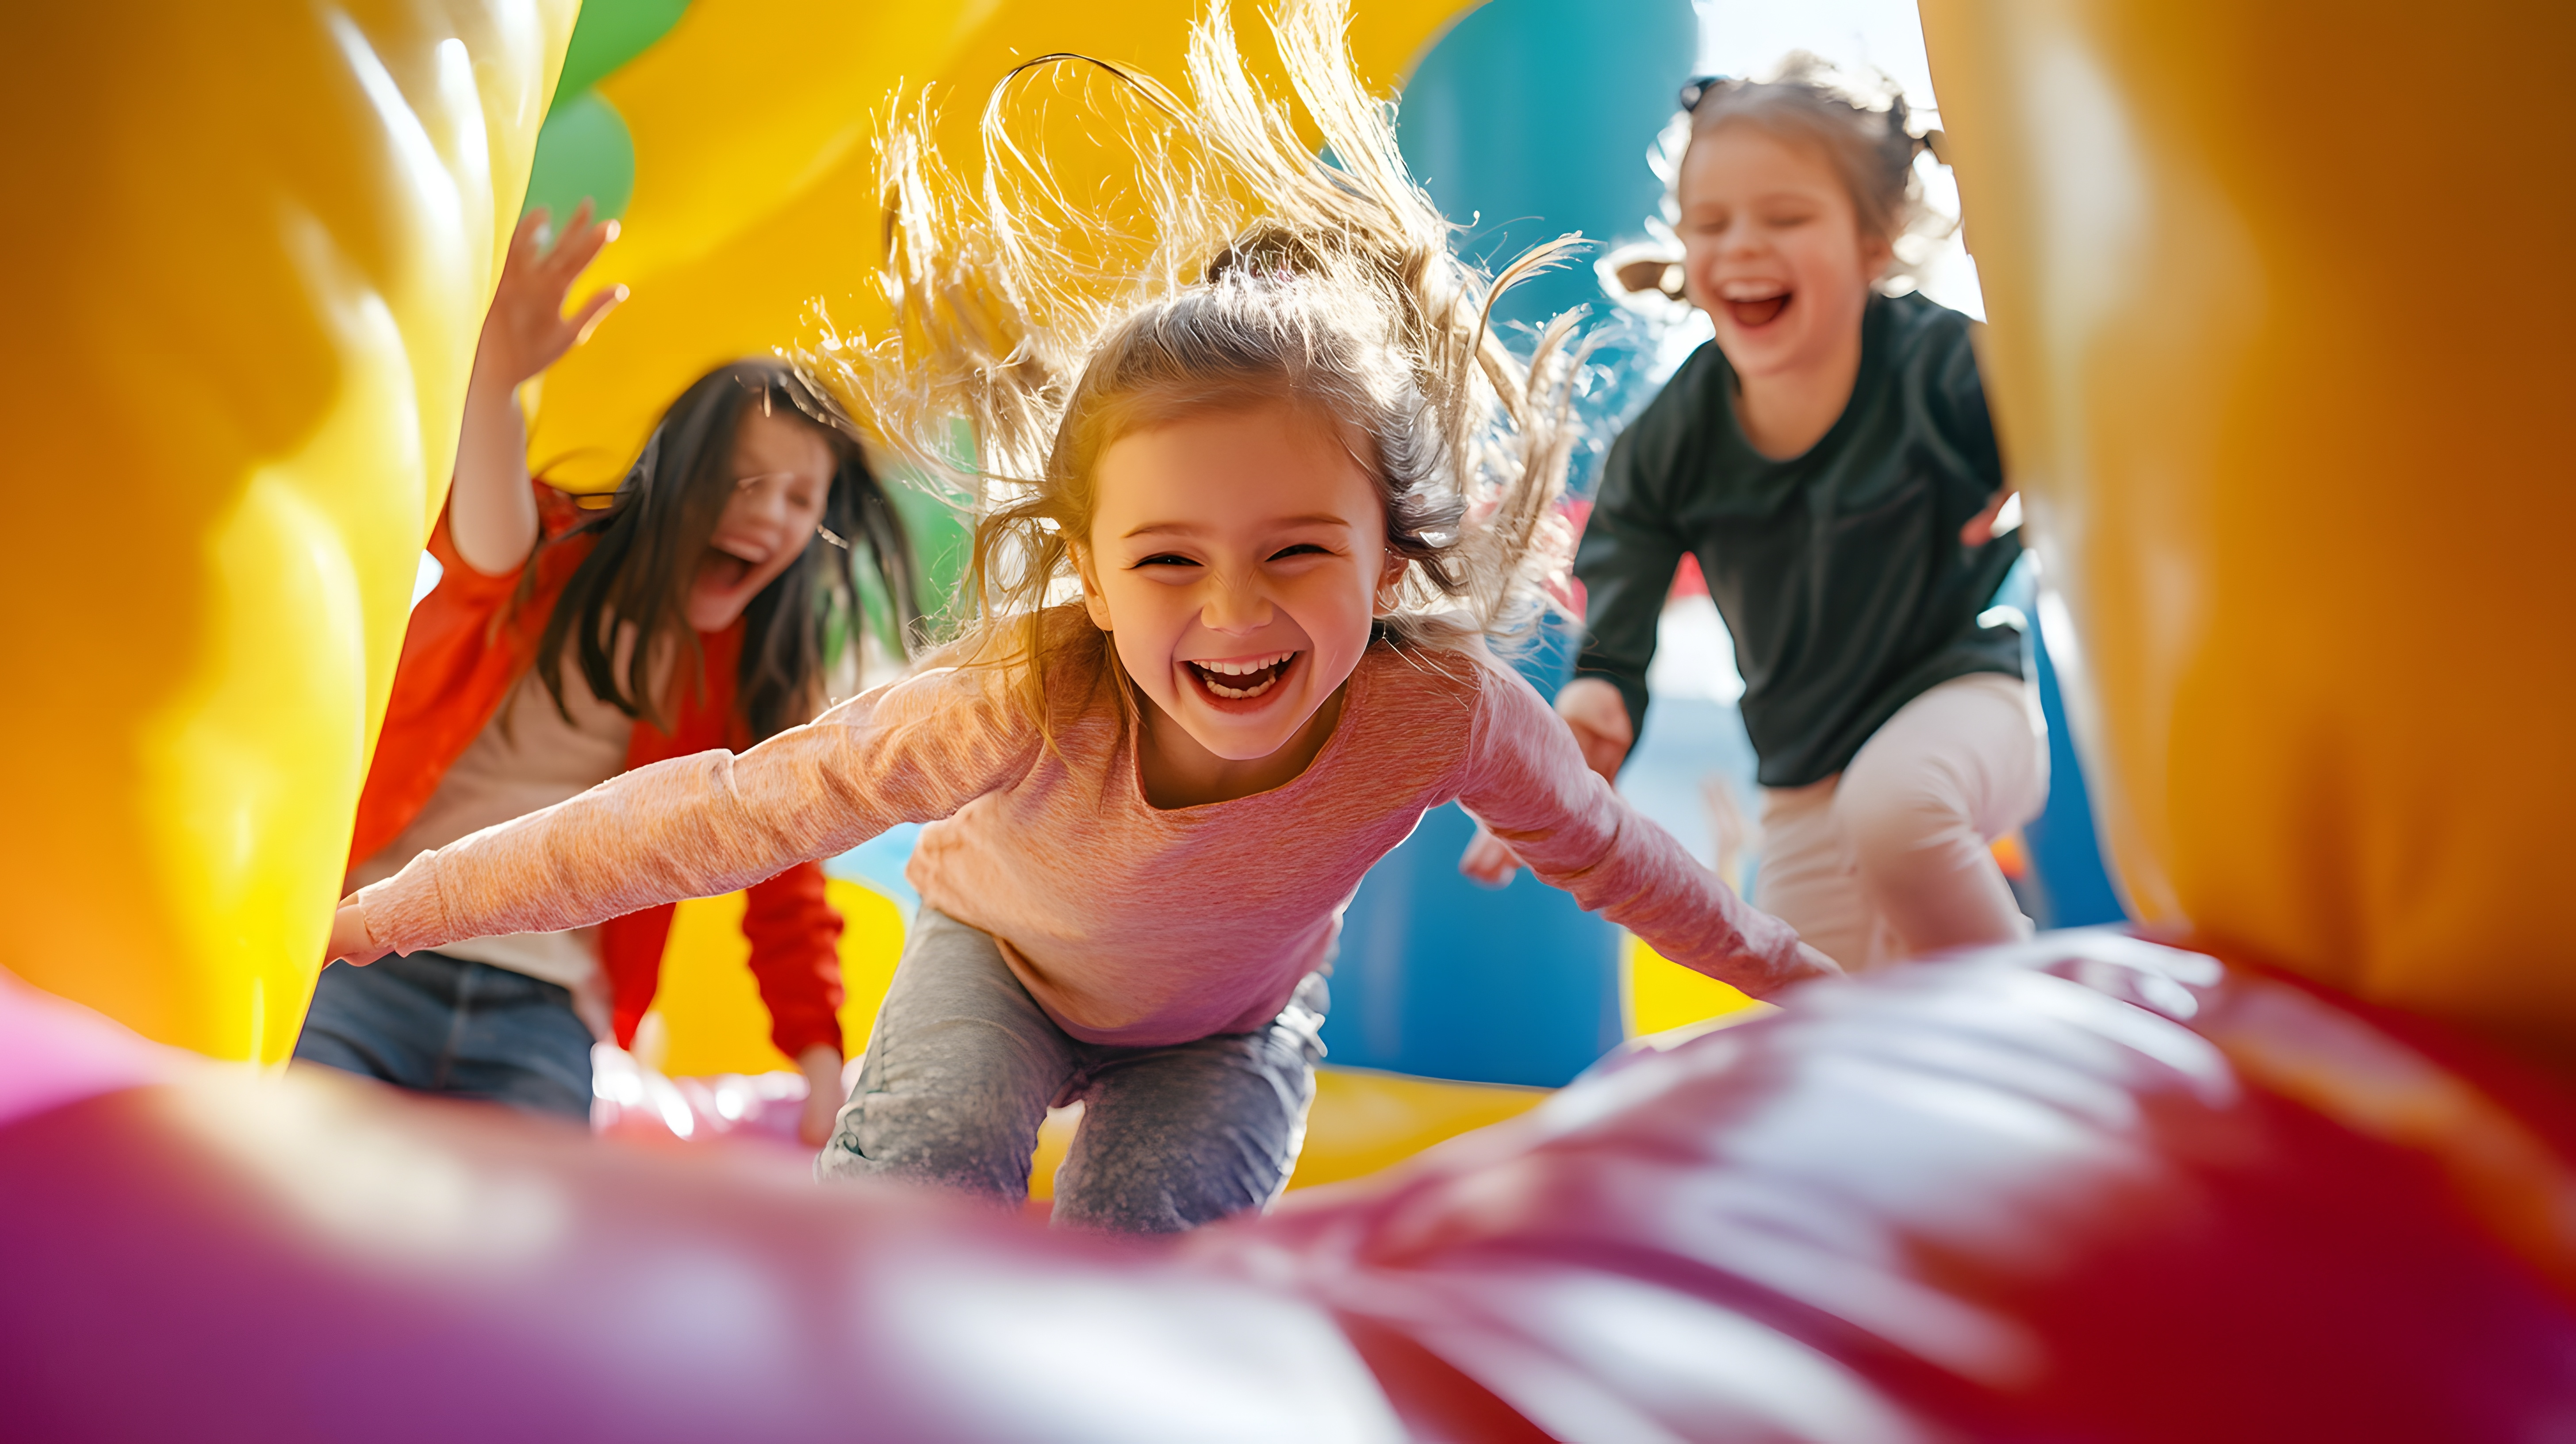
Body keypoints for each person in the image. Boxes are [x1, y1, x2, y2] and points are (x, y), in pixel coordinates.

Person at [322, 0, 1836, 1234]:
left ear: (1390, 562)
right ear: (1092, 575)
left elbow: (1614, 854)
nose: (1233, 609)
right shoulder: (1026, 692)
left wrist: (1801, 981)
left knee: (1141, 1251)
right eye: (1168, 561)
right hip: (997, 966)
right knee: (931, 1160)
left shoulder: (1434, 708)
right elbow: (720, 816)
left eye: (1299, 549)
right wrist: (387, 909)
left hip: (1226, 1032)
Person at [294, 202, 922, 1145]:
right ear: (676, 479)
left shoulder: (748, 684)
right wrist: (496, 376)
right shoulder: (541, 565)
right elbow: (486, 522)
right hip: (370, 960)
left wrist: (823, 1065)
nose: (769, 515)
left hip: (541, 1013)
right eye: (742, 479)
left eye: (801, 497)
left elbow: (786, 892)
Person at [1462, 58, 2047, 973]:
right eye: (1710, 224)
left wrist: (2045, 465)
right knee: (1803, 986)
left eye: (1784, 218)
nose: (1738, 246)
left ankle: (2037, 1038)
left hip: (1969, 702)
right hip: (1804, 777)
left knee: (1897, 817)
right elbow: (1619, 592)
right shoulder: (1670, 442)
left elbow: (2069, 428)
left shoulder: (1941, 366)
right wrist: (1596, 706)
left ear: (1875, 238)